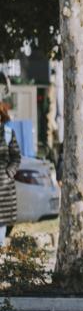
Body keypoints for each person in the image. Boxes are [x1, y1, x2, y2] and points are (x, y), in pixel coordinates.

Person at [0, 102, 20, 246]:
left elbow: (16, 157)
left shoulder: (8, 134)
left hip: (3, 188)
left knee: (1, 223)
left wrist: (9, 173)